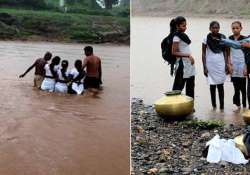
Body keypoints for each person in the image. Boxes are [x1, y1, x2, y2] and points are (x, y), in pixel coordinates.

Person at [202, 21, 230, 111]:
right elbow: (203, 53)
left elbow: (226, 52)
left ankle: (222, 107)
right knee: (212, 86)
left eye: (217, 27)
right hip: (210, 65)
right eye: (213, 27)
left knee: (220, 86)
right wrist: (204, 67)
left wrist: (227, 64)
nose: (215, 29)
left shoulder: (223, 38)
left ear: (219, 28)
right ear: (210, 29)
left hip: (220, 64)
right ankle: (214, 106)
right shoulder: (206, 38)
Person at [171, 16, 195, 100]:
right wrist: (188, 55)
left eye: (186, 25)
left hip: (189, 64)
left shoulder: (183, 35)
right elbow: (174, 52)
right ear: (177, 26)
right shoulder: (176, 37)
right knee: (178, 87)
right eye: (183, 26)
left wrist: (189, 57)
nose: (185, 27)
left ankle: (190, 106)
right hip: (182, 64)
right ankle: (173, 104)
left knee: (190, 86)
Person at [228, 21, 247, 112]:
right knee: (236, 88)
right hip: (233, 65)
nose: (235, 30)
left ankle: (244, 107)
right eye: (233, 28)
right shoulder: (229, 39)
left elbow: (247, 54)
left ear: (241, 28)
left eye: (237, 28)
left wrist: (246, 67)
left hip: (242, 64)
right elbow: (228, 53)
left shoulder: (245, 39)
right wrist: (229, 65)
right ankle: (238, 106)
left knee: (243, 88)